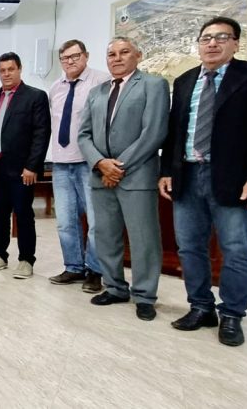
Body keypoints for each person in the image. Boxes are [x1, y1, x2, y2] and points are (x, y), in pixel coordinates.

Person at [159, 16, 247, 346]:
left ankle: (232, 314)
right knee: (189, 247)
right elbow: (174, 132)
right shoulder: (185, 81)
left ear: (235, 43)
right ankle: (200, 307)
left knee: (235, 249)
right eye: (206, 38)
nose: (212, 43)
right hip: (187, 174)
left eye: (221, 37)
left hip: (232, 178)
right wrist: (167, 171)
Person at [78, 37, 169, 322]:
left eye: (124, 52)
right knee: (105, 236)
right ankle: (115, 287)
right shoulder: (97, 92)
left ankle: (144, 295)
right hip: (101, 176)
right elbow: (83, 135)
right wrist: (100, 163)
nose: (116, 58)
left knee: (143, 239)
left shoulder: (153, 85)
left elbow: (154, 132)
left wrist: (118, 167)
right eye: (111, 54)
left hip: (136, 177)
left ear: (138, 55)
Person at [47, 40, 112, 293]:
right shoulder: (55, 87)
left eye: (75, 56)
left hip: (89, 162)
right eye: (65, 58)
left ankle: (95, 270)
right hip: (61, 163)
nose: (70, 61)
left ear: (86, 56)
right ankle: (73, 267)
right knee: (65, 221)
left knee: (96, 222)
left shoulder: (101, 81)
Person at [0, 52, 51, 279]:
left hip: (23, 170)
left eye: (11, 69)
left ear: (19, 69)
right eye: (2, 70)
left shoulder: (35, 96)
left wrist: (32, 166)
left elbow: (42, 133)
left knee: (23, 214)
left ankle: (26, 260)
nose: (6, 74)